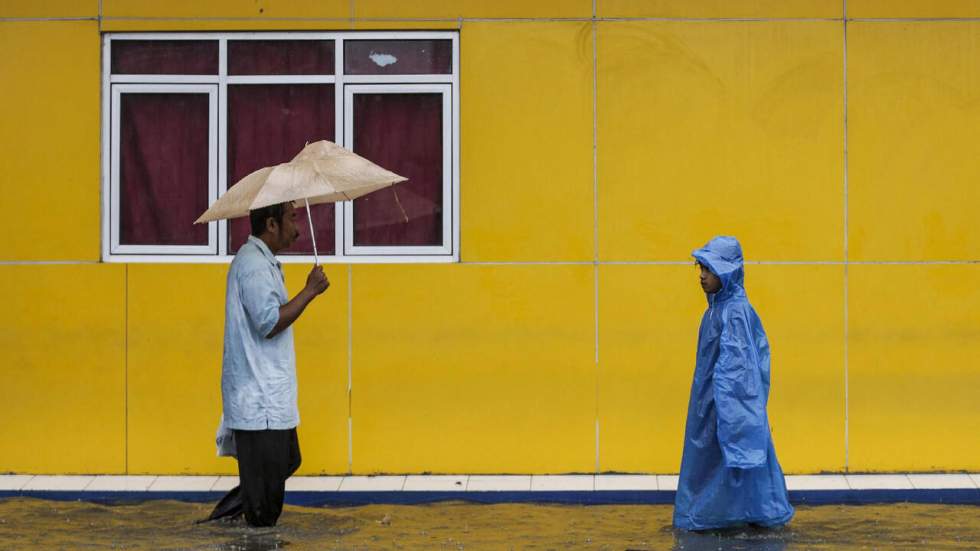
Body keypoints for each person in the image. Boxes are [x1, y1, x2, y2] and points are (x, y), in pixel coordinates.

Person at [204, 201, 329, 527]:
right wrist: (309, 291)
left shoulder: (263, 263)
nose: (298, 228)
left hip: (268, 399)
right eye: (292, 218)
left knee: (287, 461)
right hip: (260, 404)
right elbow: (269, 322)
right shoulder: (255, 267)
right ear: (271, 224)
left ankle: (223, 520)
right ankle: (225, 524)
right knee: (264, 508)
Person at [673, 236, 794, 531]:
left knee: (728, 460)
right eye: (700, 267)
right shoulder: (716, 311)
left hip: (726, 408)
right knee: (722, 464)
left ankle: (722, 517)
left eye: (710, 269)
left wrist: (734, 419)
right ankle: (743, 514)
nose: (702, 275)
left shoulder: (734, 311)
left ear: (727, 272)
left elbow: (739, 373)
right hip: (713, 406)